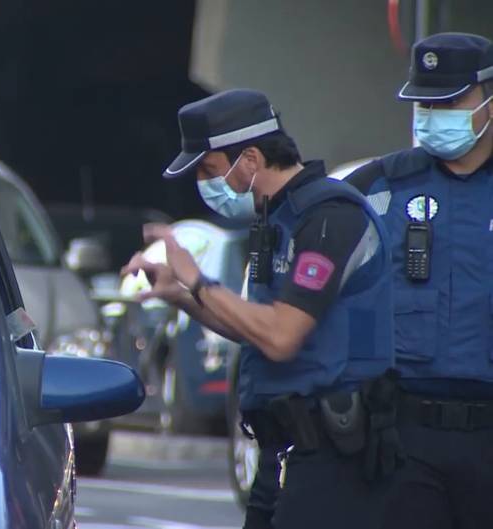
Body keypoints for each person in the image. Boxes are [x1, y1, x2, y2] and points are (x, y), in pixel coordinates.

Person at [124, 89, 399, 529]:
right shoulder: (276, 218)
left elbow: (281, 335)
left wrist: (198, 279)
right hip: (281, 452)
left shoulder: (330, 217)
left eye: (210, 170)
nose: (205, 185)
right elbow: (254, 327)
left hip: (333, 457)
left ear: (250, 159)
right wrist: (179, 294)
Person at [345, 32, 493, 529]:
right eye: (424, 101)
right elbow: (345, 300)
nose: (432, 112)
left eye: (449, 100)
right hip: (405, 434)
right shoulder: (378, 187)